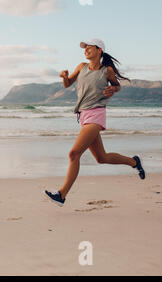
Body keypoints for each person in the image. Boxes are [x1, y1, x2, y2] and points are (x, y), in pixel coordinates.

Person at [45, 38, 145, 207]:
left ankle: (62, 194)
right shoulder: (81, 67)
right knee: (101, 158)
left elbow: (117, 86)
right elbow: (68, 84)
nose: (86, 50)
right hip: (83, 115)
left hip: (96, 114)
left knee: (73, 154)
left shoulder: (107, 71)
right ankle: (134, 162)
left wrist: (113, 89)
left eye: (89, 48)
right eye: (85, 48)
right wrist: (64, 77)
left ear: (99, 50)